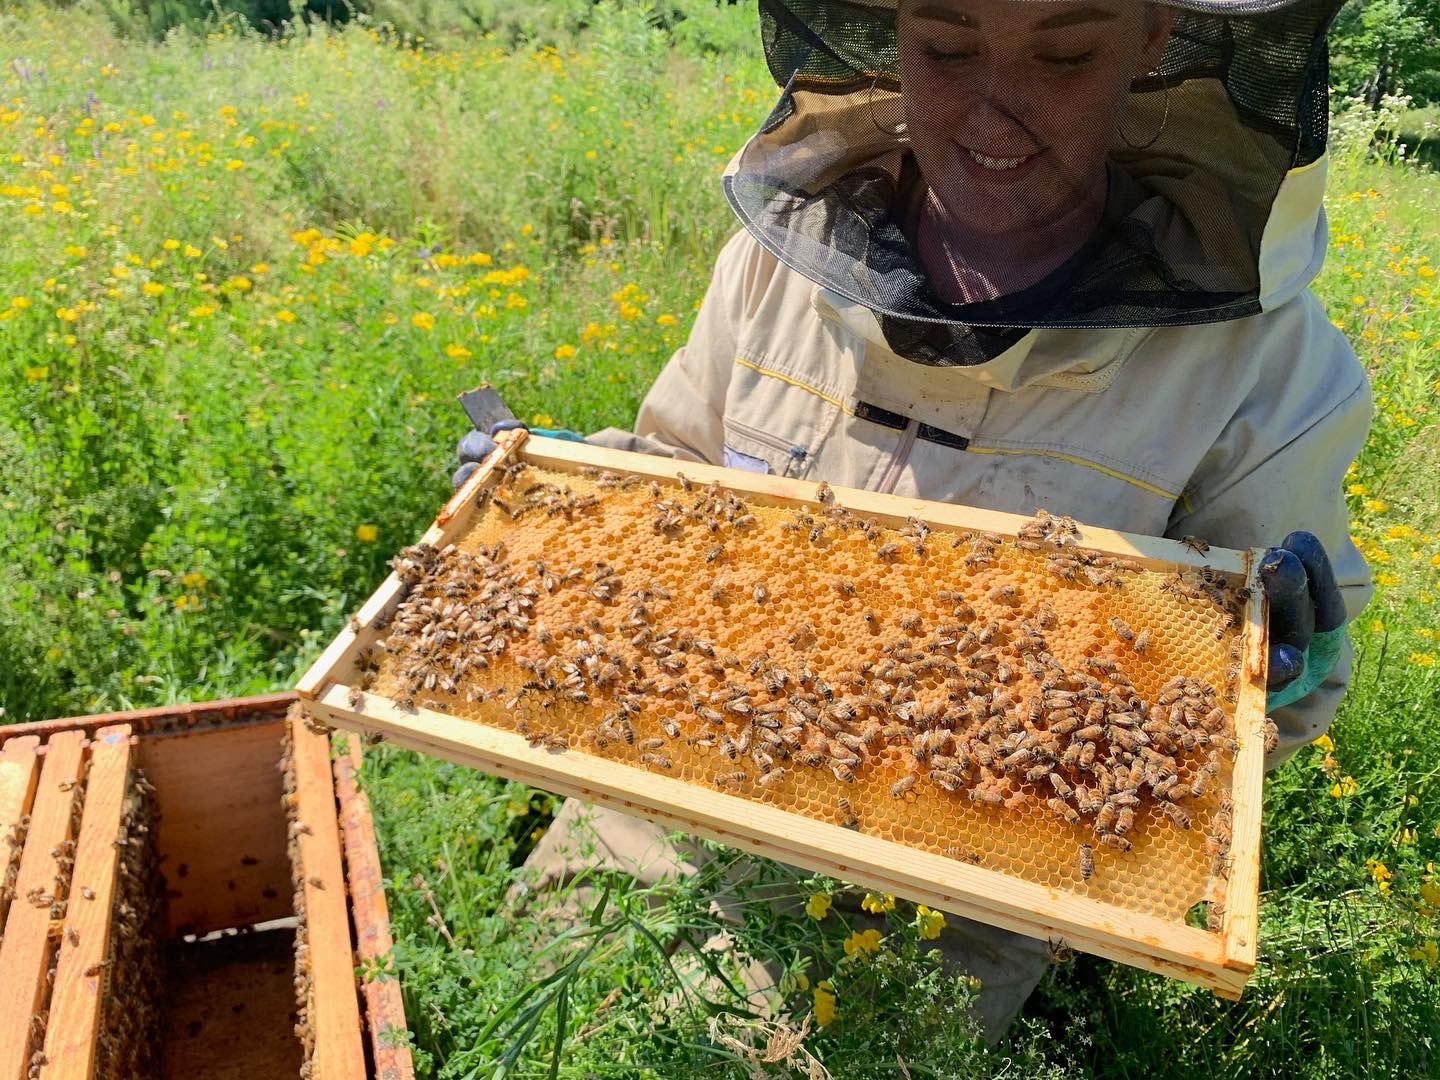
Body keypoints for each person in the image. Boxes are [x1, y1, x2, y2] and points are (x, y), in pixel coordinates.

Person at [455, 0, 1371, 1039]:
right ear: (891, 31)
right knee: (512, 1031)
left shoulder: (1270, 374)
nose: (994, 107)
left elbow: (1254, 711)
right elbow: (682, 480)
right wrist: (564, 497)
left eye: (1064, 53)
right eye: (944, 45)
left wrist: (1281, 671)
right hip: (657, 812)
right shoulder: (775, 260)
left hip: (942, 921)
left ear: (1153, 39)